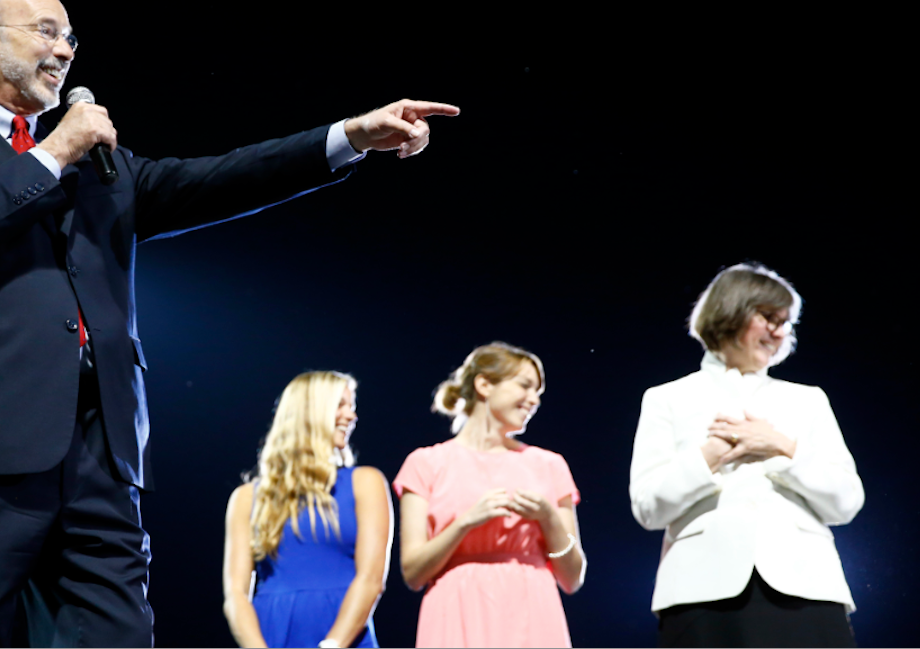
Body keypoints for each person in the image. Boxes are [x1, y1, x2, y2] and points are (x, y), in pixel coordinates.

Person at [0, 0, 458, 647]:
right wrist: (55, 153)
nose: (65, 50)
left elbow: (222, 178)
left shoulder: (105, 168)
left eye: (72, 40)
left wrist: (349, 137)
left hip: (100, 454)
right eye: (47, 32)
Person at [629, 263, 863, 647]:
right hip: (702, 590)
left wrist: (783, 448)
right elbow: (648, 508)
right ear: (730, 312)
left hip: (807, 585)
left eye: (785, 322)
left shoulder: (808, 399)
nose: (778, 331)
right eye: (768, 317)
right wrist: (711, 455)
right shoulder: (667, 398)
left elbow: (847, 502)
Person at [393, 342, 585, 648]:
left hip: (532, 612)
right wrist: (464, 523)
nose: (534, 399)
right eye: (525, 385)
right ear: (484, 385)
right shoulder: (426, 463)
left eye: (539, 391)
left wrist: (549, 518)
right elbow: (413, 573)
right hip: (456, 611)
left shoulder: (549, 464)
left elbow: (572, 577)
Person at [222, 371, 393, 648]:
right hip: (270, 633)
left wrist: (333, 643)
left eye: (352, 406)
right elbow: (236, 593)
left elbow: (371, 579)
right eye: (340, 405)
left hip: (344, 635)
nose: (351, 416)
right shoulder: (245, 498)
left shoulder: (366, 483)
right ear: (309, 411)